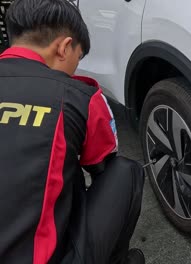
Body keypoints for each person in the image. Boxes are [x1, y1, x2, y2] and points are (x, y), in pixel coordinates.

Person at [0, 0, 145, 263]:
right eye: (78, 59)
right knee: (125, 171)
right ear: (64, 47)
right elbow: (102, 166)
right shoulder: (79, 95)